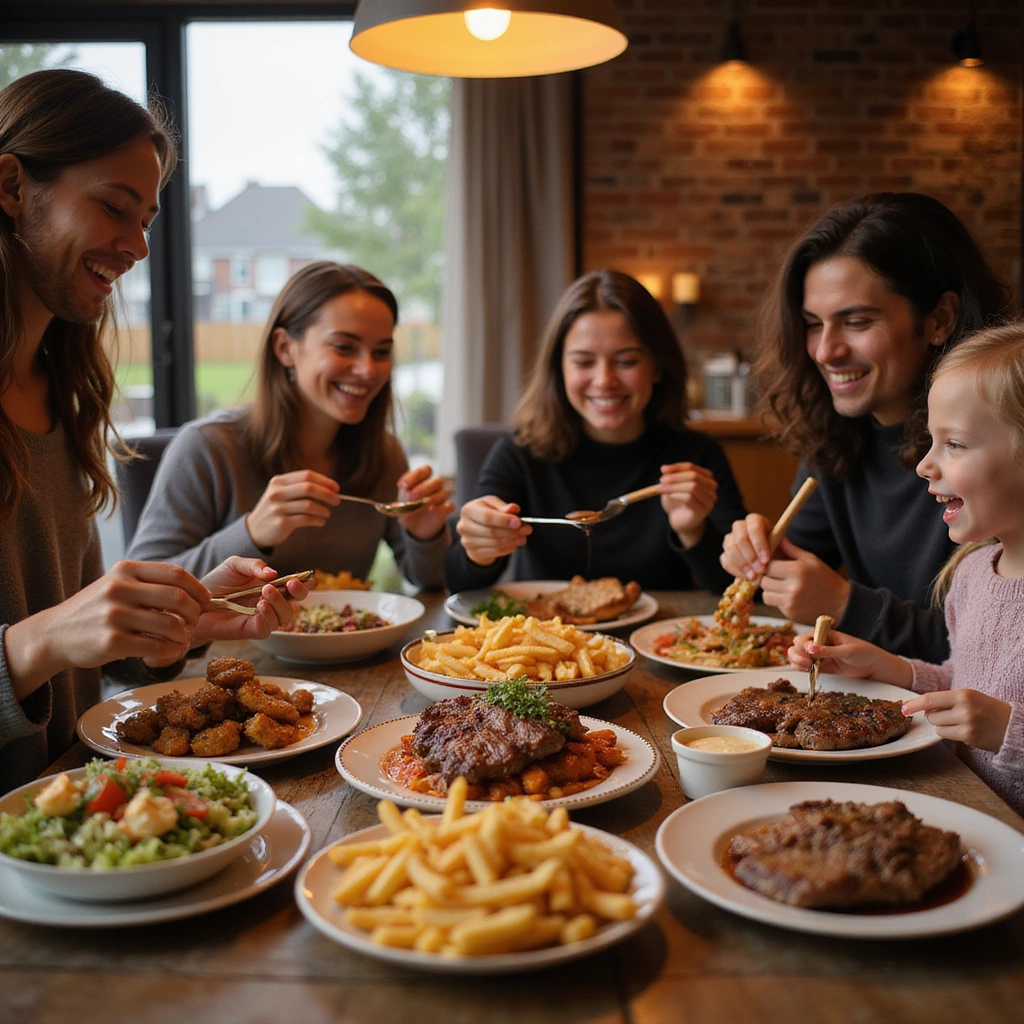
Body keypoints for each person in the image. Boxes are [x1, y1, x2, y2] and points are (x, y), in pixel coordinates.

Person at [0, 70, 309, 792]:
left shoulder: (65, 395)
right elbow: (43, 642)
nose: (138, 247)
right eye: (114, 207)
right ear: (11, 186)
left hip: (75, 805)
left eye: (146, 220)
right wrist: (44, 638)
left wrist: (179, 619)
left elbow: (78, 668)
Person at [720, 192, 1012, 662]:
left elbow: (996, 647)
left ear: (939, 319)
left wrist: (846, 605)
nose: (825, 351)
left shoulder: (997, 448)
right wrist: (761, 557)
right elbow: (792, 572)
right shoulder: (838, 435)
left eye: (855, 322)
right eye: (813, 324)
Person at [789, 324, 1024, 814]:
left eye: (954, 444)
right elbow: (961, 684)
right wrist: (889, 667)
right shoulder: (973, 573)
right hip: (962, 812)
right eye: (930, 441)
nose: (924, 465)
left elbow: (993, 716)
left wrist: (1009, 731)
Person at [127, 261, 453, 585]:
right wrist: (252, 532)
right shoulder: (208, 447)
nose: (368, 370)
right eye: (344, 347)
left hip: (351, 624)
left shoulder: (383, 452)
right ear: (285, 348)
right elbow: (141, 589)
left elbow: (430, 581)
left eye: (381, 352)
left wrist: (425, 536)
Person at [445, 269, 746, 593]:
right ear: (559, 368)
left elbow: (742, 588)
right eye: (584, 362)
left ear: (658, 366)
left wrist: (693, 530)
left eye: (626, 361)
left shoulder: (697, 457)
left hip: (663, 627)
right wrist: (479, 550)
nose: (604, 381)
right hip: (543, 626)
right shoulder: (520, 452)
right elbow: (457, 579)